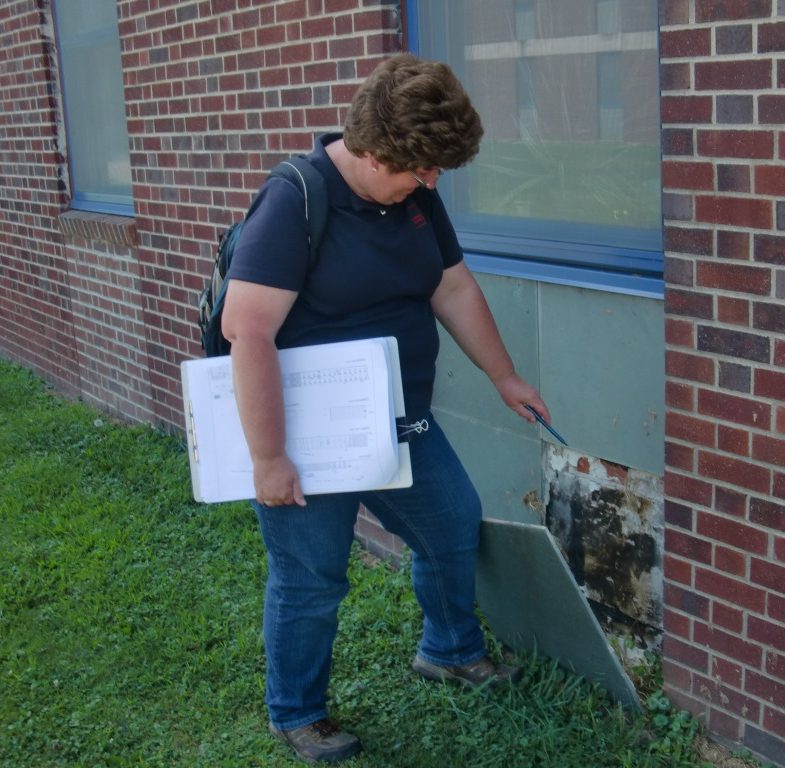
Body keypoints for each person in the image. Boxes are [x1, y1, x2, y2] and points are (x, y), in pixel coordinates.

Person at [220, 53, 553, 764]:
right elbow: (247, 329)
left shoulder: (415, 197)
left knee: (452, 523)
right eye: (419, 169)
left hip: (399, 414)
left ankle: (450, 650)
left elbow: (453, 290)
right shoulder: (297, 199)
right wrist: (269, 457)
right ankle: (298, 712)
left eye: (437, 171)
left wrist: (505, 377)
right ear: (372, 150)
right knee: (312, 576)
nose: (430, 184)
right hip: (309, 431)